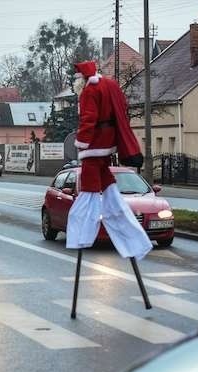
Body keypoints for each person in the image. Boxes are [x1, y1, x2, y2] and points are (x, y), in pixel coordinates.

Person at [66, 60, 152, 261]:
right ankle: (132, 240)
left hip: (94, 146)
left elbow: (88, 119)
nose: (76, 84)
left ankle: (81, 235)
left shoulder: (89, 91)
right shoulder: (107, 85)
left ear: (82, 78)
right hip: (107, 143)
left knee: (89, 190)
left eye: (76, 80)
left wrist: (82, 142)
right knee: (108, 189)